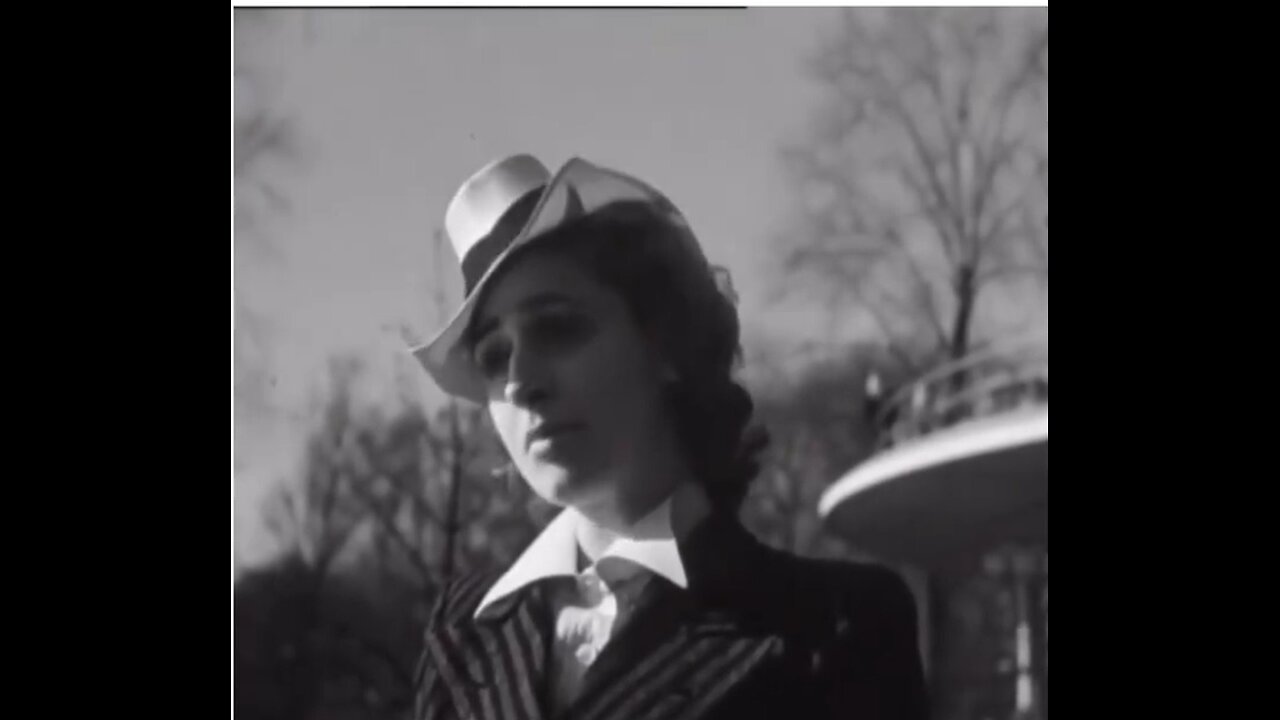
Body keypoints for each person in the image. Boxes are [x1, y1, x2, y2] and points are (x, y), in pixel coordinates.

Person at [406, 154, 928, 720]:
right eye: (493, 355)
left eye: (557, 327)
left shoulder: (833, 624)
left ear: (666, 342)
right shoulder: (463, 635)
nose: (521, 382)